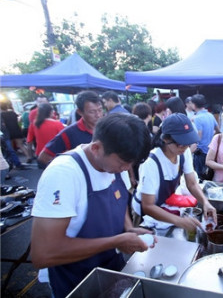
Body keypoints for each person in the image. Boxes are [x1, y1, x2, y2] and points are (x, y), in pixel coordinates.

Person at [30, 113, 154, 298]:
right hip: (75, 279)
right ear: (96, 148)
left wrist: (129, 229)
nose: (126, 169)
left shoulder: (117, 165)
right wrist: (117, 241)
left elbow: (118, 204)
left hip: (111, 268)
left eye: (131, 164)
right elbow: (44, 254)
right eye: (122, 163)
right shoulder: (64, 174)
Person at [132, 113, 217, 231]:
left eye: (188, 143)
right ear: (166, 139)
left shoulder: (183, 152)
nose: (185, 147)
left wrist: (205, 202)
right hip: (144, 214)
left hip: (163, 205)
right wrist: (180, 221)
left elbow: (192, 183)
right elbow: (148, 206)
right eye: (181, 143)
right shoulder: (151, 163)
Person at [38, 91, 104, 167]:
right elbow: (43, 157)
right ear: (80, 112)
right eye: (92, 112)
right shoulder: (69, 133)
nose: (98, 115)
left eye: (100, 110)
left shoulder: (108, 127)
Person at [27, 104, 65, 168]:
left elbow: (29, 141)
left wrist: (30, 156)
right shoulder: (58, 124)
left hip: (41, 155)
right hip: (56, 155)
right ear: (50, 112)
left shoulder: (34, 124)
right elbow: (65, 140)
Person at [191, 94, 220, 178]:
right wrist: (210, 135)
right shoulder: (210, 115)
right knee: (209, 175)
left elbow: (198, 137)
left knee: (200, 176)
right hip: (210, 150)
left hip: (200, 151)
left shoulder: (197, 118)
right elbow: (218, 130)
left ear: (194, 105)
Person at [1, 100, 31, 168]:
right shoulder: (13, 113)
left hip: (8, 133)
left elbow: (4, 125)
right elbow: (18, 120)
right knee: (21, 145)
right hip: (16, 130)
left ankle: (15, 162)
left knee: (11, 149)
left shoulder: (1, 115)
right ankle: (29, 157)